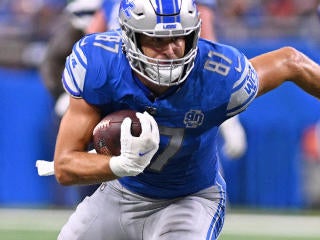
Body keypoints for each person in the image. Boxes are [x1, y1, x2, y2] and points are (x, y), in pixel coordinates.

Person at [53, 0, 320, 239]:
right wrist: (119, 165)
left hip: (189, 200)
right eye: (157, 40)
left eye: (179, 38)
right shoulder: (100, 63)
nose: (170, 50)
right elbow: (64, 166)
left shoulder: (219, 74)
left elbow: (290, 61)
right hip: (120, 193)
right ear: (130, 38)